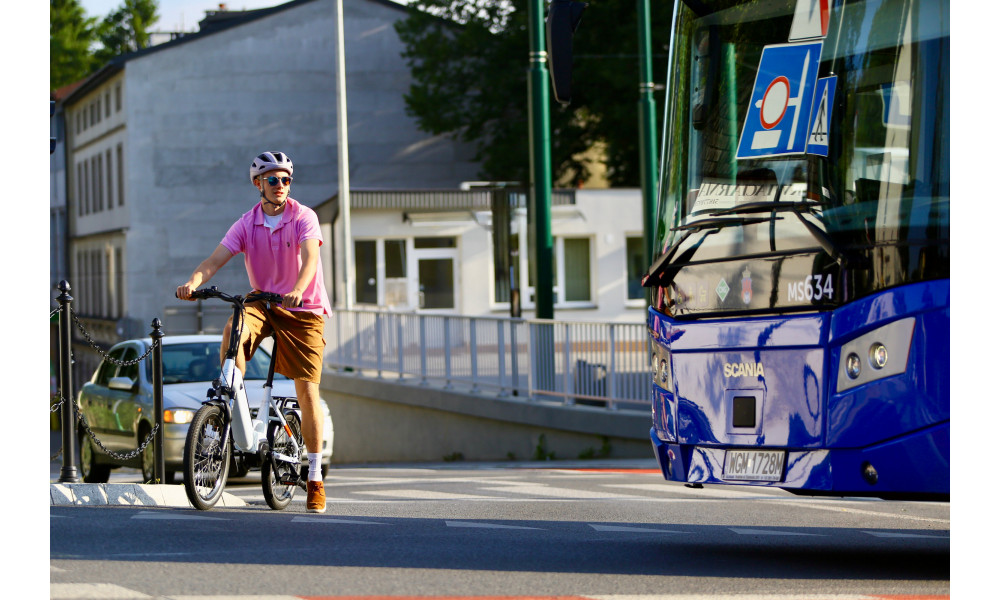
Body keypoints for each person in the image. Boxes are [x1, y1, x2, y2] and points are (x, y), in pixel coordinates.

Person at [176, 151, 333, 513]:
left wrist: (298, 288)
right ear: (258, 184)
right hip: (263, 301)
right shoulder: (246, 224)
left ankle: (313, 476)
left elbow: (311, 258)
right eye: (273, 179)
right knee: (234, 329)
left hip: (303, 307)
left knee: (307, 390)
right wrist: (192, 283)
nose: (280, 185)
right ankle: (230, 400)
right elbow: (214, 261)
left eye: (285, 179)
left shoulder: (304, 217)